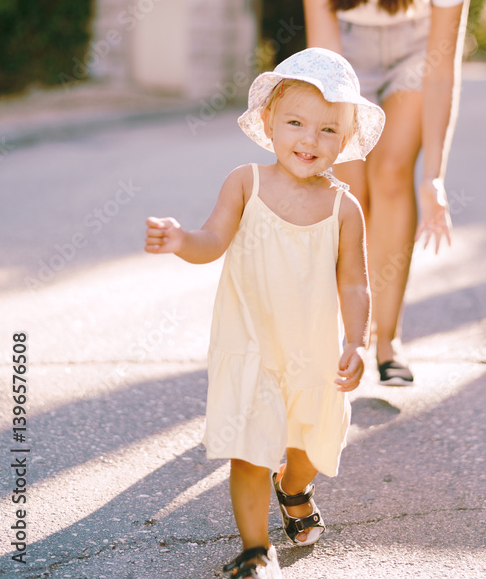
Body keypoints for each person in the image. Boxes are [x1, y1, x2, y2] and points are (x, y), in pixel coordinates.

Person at [144, 48, 385, 579]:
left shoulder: (344, 208)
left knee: (309, 447)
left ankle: (293, 486)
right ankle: (256, 551)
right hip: (250, 345)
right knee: (249, 449)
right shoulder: (245, 182)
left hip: (314, 352)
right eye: (296, 123)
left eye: (328, 129)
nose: (309, 139)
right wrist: (182, 240)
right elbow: (212, 241)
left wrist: (357, 341)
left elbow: (354, 282)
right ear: (269, 121)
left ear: (345, 139)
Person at [297, 0, 472, 386]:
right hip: (347, 57)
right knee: (351, 188)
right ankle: (350, 337)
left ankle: (388, 342)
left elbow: (441, 69)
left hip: (417, 53)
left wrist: (434, 176)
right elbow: (327, 63)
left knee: (394, 172)